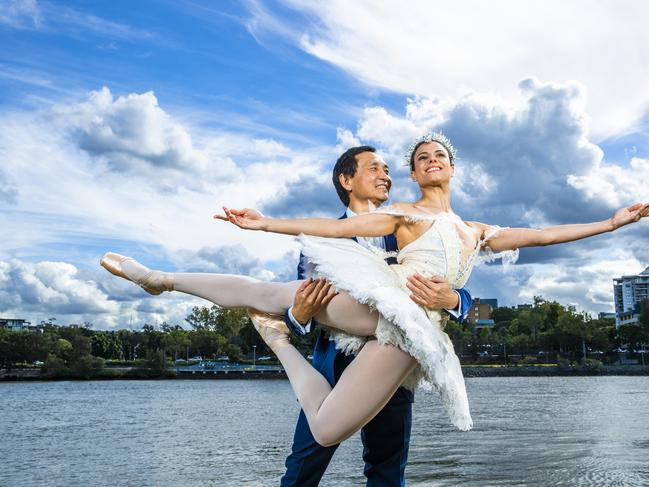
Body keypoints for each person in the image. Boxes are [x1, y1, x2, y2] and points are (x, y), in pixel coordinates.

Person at [101, 132, 649, 449]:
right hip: (379, 302)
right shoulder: (401, 216)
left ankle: (278, 346)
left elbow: (550, 234)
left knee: (326, 432)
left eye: (440, 156)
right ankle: (160, 279)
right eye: (421, 159)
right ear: (414, 176)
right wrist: (263, 222)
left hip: (412, 332)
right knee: (267, 290)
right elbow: (337, 230)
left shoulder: (478, 231)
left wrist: (612, 222)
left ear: (453, 170)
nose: (431, 161)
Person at [279, 146, 472, 487]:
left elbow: (454, 279)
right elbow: (295, 310)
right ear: (346, 180)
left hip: (394, 367)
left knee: (387, 472)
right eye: (374, 168)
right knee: (301, 471)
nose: (386, 176)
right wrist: (300, 314)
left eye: (387, 169)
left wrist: (454, 298)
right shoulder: (321, 239)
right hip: (333, 370)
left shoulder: (412, 229)